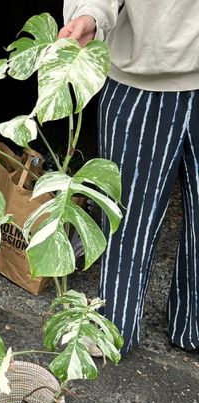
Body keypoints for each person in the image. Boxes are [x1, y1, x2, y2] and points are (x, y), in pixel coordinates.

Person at [59, 1, 199, 354]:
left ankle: (192, 325)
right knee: (125, 218)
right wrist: (89, 13)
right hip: (139, 73)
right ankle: (114, 323)